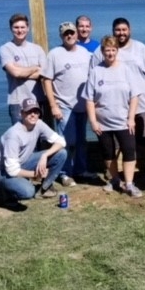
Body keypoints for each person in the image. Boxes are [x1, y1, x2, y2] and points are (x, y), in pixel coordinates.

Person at [91, 17, 145, 171]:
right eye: (117, 30)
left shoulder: (140, 48)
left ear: (129, 30)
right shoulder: (101, 52)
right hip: (113, 108)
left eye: (124, 30)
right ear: (113, 31)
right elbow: (93, 78)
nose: (121, 33)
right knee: (113, 143)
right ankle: (114, 171)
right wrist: (95, 107)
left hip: (140, 105)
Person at [83, 36, 143, 198]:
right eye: (107, 50)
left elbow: (134, 97)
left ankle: (129, 183)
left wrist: (131, 118)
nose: (110, 53)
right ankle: (115, 180)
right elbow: (89, 99)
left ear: (117, 51)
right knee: (108, 153)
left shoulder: (126, 70)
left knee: (129, 151)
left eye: (113, 50)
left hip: (124, 121)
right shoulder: (96, 72)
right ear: (102, 52)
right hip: (103, 123)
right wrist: (93, 121)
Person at [42, 22, 95, 187]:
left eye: (72, 33)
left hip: (82, 105)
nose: (70, 36)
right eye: (66, 34)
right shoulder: (54, 54)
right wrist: (53, 105)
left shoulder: (85, 53)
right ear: (61, 36)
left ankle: (80, 170)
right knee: (66, 141)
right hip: (64, 106)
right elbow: (46, 80)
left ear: (77, 34)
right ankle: (64, 173)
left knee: (81, 141)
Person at [0, 98, 67, 201]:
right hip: (2, 171)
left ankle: (44, 189)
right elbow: (12, 170)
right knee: (27, 192)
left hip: (22, 161)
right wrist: (36, 175)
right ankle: (5, 190)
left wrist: (45, 155)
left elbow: (61, 141)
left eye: (36, 111)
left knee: (61, 153)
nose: (33, 115)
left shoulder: (39, 124)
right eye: (29, 112)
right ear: (21, 113)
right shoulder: (13, 135)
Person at [0, 13, 47, 125]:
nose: (19, 30)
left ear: (28, 28)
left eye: (22, 27)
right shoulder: (5, 49)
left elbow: (44, 73)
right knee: (20, 136)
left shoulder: (37, 49)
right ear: (11, 28)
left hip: (38, 100)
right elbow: (15, 73)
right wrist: (35, 67)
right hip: (17, 101)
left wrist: (22, 71)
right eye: (16, 27)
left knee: (37, 136)